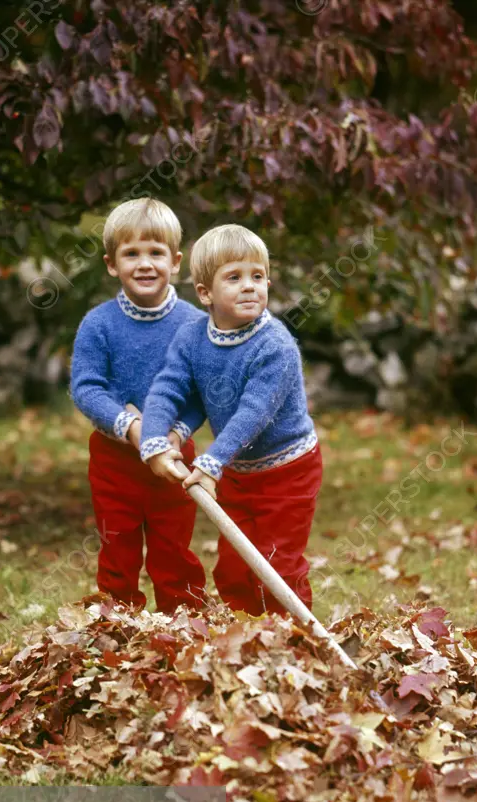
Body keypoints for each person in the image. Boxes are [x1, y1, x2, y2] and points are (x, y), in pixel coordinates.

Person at [138, 224, 322, 616]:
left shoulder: (275, 346)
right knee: (235, 568)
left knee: (277, 563)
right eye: (234, 277)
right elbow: (168, 389)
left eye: (258, 276)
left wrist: (209, 462)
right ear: (205, 293)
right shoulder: (192, 339)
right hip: (237, 470)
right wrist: (154, 439)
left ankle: (295, 640)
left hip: (288, 470)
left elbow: (252, 414)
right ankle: (247, 640)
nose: (250, 286)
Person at [70, 198, 207, 612]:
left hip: (174, 457)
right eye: (132, 254)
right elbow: (87, 387)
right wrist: (130, 426)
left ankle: (182, 625)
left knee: (173, 548)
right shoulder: (99, 324)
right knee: (118, 548)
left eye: (155, 253)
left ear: (176, 262)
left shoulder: (193, 325)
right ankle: (117, 624)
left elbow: (200, 394)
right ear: (112, 264)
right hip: (116, 459)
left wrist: (173, 434)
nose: (144, 264)